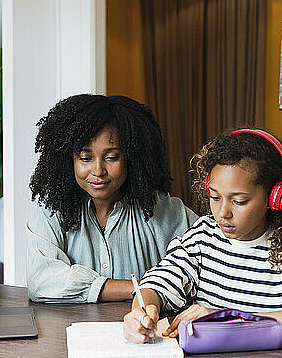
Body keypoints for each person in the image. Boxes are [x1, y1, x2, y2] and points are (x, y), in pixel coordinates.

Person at [123, 129, 282, 342]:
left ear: (275, 197)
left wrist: (231, 319)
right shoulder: (203, 237)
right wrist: (142, 312)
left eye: (239, 201)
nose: (223, 213)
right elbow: (157, 284)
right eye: (215, 197)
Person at [26, 94, 197, 303]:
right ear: (68, 159)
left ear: (131, 157)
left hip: (147, 331)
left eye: (111, 157)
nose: (98, 171)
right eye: (85, 158)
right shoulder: (51, 209)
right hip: (69, 332)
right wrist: (142, 288)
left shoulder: (164, 210)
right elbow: (42, 281)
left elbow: (209, 262)